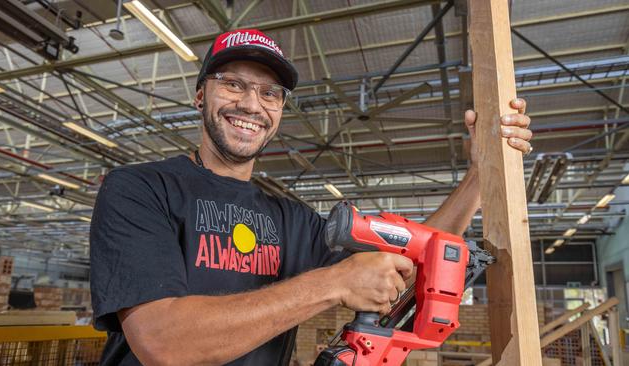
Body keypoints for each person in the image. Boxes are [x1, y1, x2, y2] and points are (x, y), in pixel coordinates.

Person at [90, 29, 533, 365]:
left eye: (270, 93)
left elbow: (421, 257)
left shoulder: (290, 218)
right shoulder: (139, 189)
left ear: (280, 110)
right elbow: (163, 342)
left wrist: (481, 173)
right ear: (201, 93)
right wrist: (335, 282)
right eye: (233, 84)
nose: (251, 104)